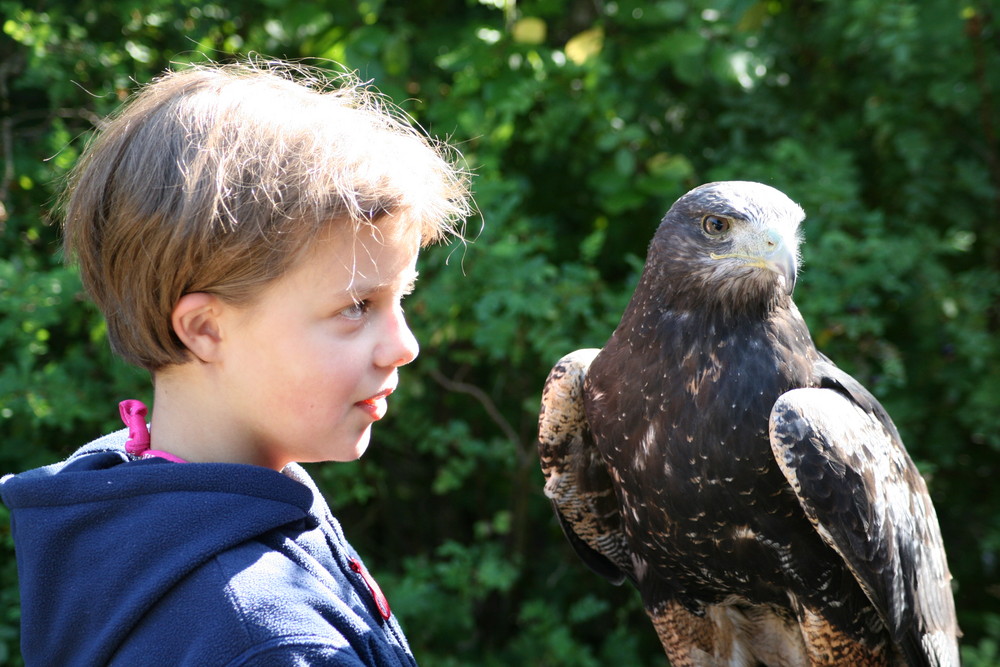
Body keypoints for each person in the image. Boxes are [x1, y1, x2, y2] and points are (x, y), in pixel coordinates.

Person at [0, 59, 471, 666]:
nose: (404, 345)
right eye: (357, 306)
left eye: (398, 299)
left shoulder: (122, 498)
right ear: (204, 330)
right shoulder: (268, 641)